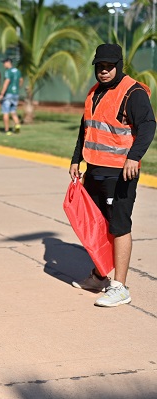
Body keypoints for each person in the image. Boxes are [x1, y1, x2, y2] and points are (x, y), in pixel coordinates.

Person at [69, 43, 156, 307]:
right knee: (98, 224)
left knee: (119, 225)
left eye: (109, 66)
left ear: (120, 66)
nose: (104, 71)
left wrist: (134, 157)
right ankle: (99, 276)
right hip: (94, 169)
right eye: (100, 66)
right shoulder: (95, 91)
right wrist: (76, 159)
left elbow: (148, 125)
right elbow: (86, 129)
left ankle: (120, 286)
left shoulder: (133, 93)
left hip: (120, 172)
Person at [0, 58, 23, 134]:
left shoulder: (8, 72)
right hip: (15, 94)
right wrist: (18, 87)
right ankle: (17, 125)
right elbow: (21, 80)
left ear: (8, 62)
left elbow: (7, 82)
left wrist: (2, 94)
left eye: (4, 63)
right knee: (13, 111)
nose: (3, 64)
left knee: (5, 112)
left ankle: (7, 130)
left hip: (8, 94)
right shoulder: (18, 71)